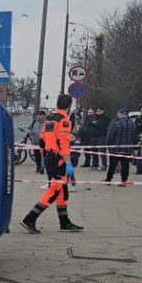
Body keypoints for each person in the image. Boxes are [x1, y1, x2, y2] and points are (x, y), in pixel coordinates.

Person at [21, 94, 84, 234]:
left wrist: (43, 158)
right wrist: (68, 162)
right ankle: (30, 219)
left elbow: (42, 141)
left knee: (62, 191)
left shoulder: (49, 120)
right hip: (58, 160)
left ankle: (64, 222)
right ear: (69, 106)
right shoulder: (64, 121)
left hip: (50, 158)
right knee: (55, 190)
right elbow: (63, 142)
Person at [103, 108, 137, 186]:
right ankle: (124, 181)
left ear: (120, 114)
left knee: (112, 165)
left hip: (115, 149)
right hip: (127, 149)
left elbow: (110, 135)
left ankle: (108, 179)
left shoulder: (116, 123)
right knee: (125, 166)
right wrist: (134, 146)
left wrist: (107, 144)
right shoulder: (132, 124)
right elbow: (135, 136)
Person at [88, 107, 111, 171]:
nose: (98, 112)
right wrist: (92, 122)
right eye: (97, 111)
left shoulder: (106, 118)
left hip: (101, 136)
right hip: (93, 136)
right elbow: (89, 123)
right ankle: (95, 164)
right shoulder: (94, 117)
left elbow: (103, 125)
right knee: (93, 151)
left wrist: (96, 123)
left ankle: (104, 165)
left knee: (102, 152)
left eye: (99, 111)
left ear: (102, 111)